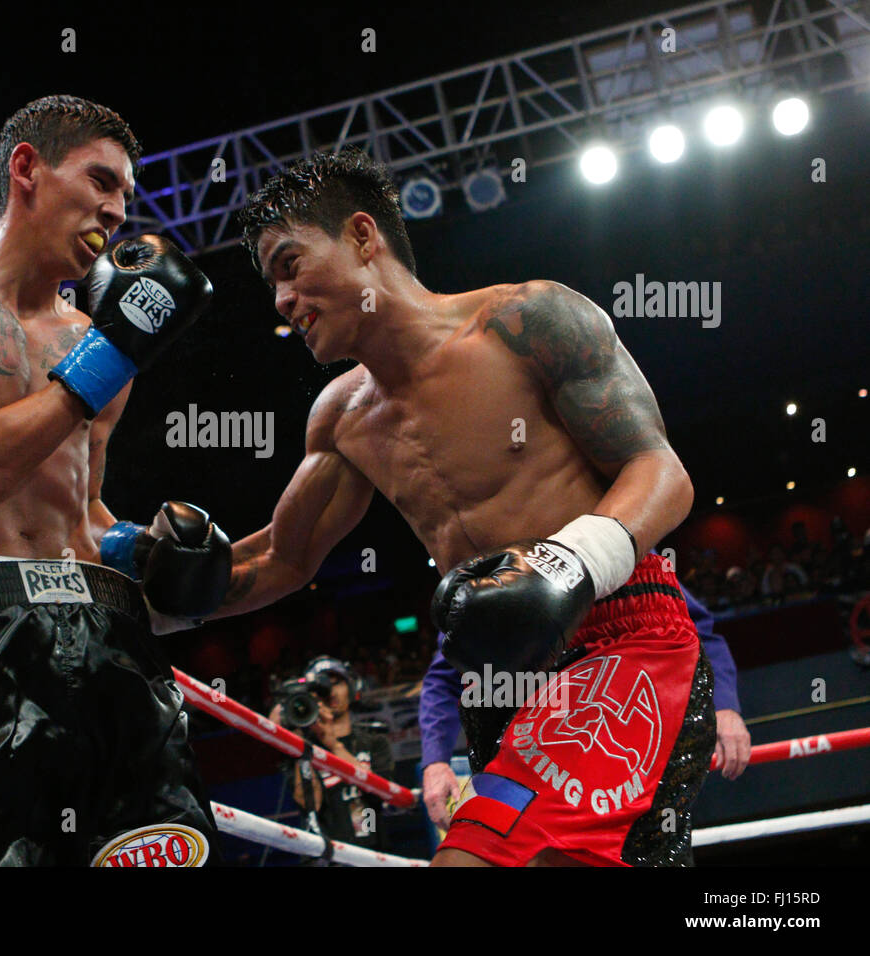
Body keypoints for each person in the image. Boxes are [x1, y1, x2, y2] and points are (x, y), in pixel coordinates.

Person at [183, 149, 715, 866]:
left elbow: (661, 470)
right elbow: (280, 557)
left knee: (474, 857)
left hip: (619, 639)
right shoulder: (341, 418)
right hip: (494, 675)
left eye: (289, 265)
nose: (280, 299)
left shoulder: (525, 321)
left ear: (364, 237)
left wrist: (569, 563)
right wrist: (141, 593)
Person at [0, 95, 230, 866]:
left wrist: (149, 551)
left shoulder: (92, 343)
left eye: (127, 195)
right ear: (28, 168)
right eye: (101, 181)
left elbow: (83, 513)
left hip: (108, 643)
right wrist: (113, 357)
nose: (117, 209)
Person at [419, 582, 751, 843]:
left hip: (628, 761)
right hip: (528, 763)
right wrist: (435, 760)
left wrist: (724, 707)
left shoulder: (623, 539)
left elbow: (697, 630)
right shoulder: (493, 572)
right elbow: (444, 675)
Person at [270, 657, 393, 856]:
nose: (330, 692)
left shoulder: (374, 740)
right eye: (322, 687)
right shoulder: (305, 748)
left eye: (336, 683)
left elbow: (382, 794)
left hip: (374, 854)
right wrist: (300, 741)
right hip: (327, 857)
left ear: (352, 687)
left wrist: (333, 745)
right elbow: (311, 805)